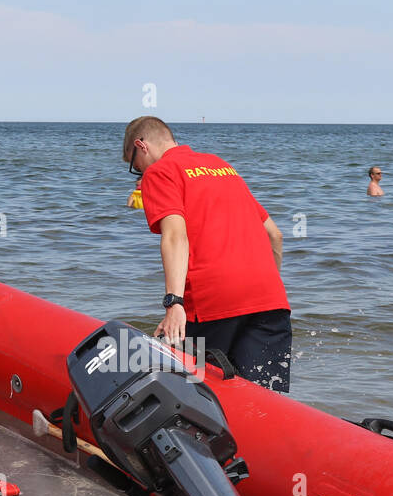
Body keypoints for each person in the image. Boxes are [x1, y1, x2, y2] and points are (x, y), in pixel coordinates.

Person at [123, 115, 292, 392]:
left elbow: (176, 236)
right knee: (265, 400)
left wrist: (173, 302)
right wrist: (265, 287)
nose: (140, 173)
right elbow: (275, 234)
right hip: (271, 300)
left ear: (141, 146)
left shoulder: (160, 171)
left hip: (214, 303)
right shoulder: (220, 165)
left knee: (199, 397)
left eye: (135, 166)